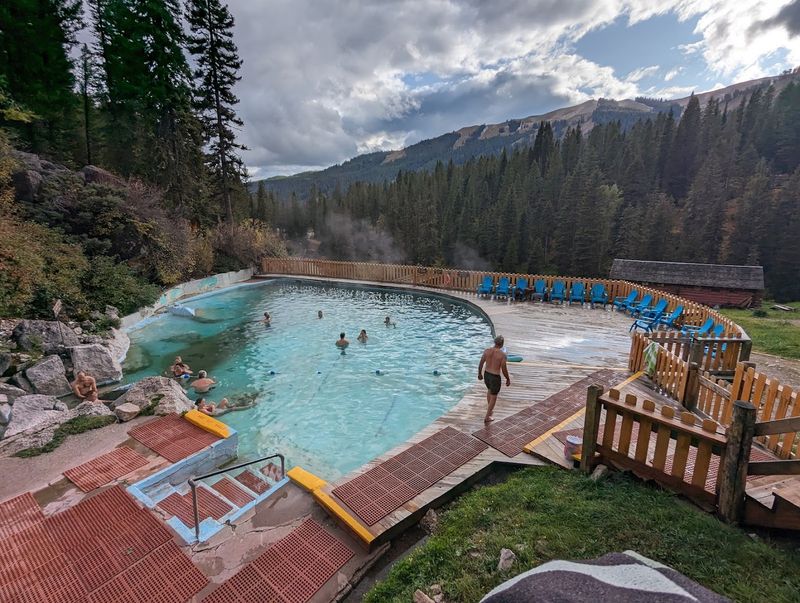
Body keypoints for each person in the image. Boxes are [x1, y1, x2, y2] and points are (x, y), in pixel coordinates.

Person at [477, 335, 511, 423]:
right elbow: (504, 369)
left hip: (487, 375)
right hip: (495, 377)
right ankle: (487, 416)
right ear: (502, 344)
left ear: (494, 342)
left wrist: (479, 373)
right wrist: (507, 378)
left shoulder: (487, 351)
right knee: (494, 396)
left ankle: (490, 411)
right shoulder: (502, 355)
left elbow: (481, 363)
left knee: (489, 390)